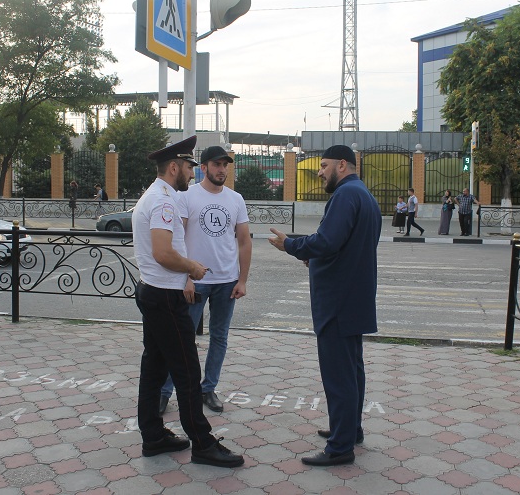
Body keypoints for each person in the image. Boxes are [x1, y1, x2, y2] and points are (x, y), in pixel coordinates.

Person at [132, 135, 244, 468]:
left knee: (154, 367)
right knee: (187, 372)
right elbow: (163, 253)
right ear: (173, 167)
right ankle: (203, 443)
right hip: (166, 296)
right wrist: (192, 268)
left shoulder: (156, 195)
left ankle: (153, 436)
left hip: (153, 291)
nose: (193, 173)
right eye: (189, 167)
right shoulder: (164, 201)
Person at [268, 145, 381, 467]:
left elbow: (328, 241)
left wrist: (291, 245)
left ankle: (340, 448)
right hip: (354, 297)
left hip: (338, 300)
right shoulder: (363, 195)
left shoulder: (345, 195)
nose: (319, 172)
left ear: (341, 164)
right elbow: (345, 246)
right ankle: (350, 429)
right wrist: (313, 257)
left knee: (338, 375)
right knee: (352, 370)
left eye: (323, 165)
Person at [159, 145, 252, 415]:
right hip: (195, 280)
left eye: (225, 165)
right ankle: (165, 392)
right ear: (204, 167)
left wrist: (242, 280)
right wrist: (186, 277)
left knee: (219, 337)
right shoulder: (187, 197)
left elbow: (244, 242)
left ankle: (208, 388)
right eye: (216, 164)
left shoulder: (236, 199)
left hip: (227, 281)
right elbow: (176, 239)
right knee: (182, 339)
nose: (222, 170)